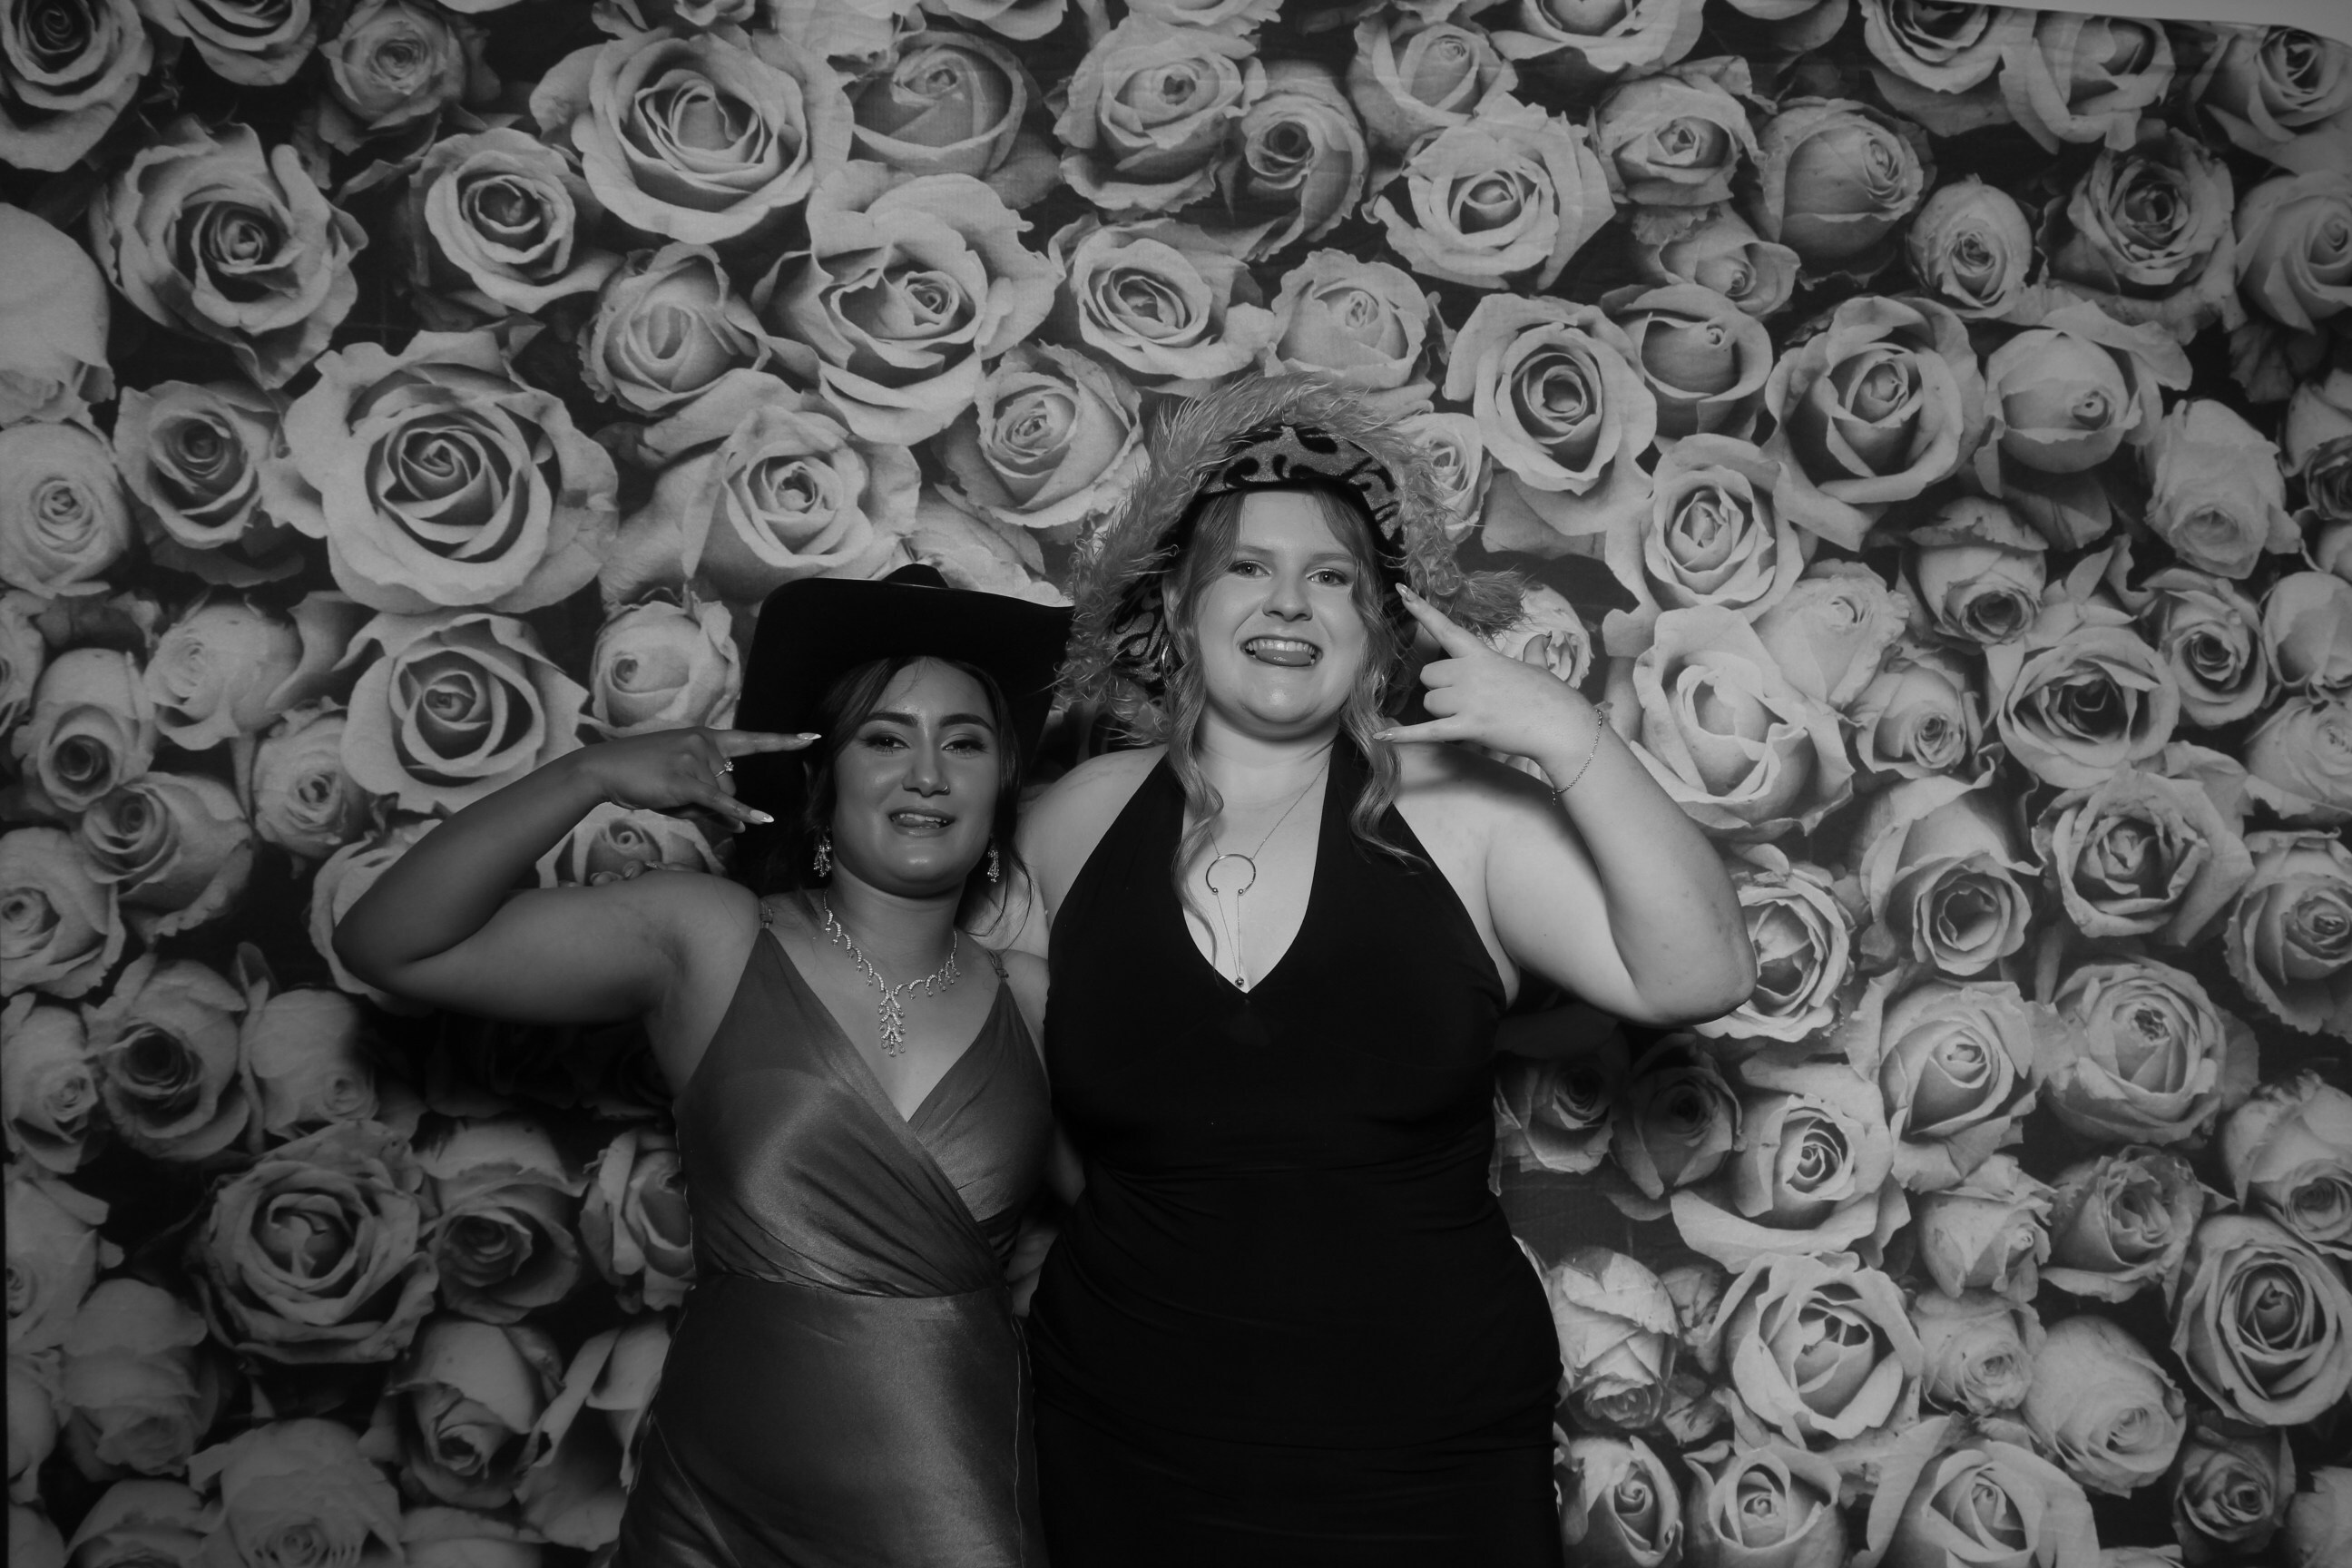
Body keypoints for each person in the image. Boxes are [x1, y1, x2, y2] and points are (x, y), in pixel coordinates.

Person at [1011, 376, 1756, 1565]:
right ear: (1182, 605)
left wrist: (1569, 735)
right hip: (1129, 1438)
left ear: (1378, 626)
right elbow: (987, 1082)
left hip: (1427, 1457)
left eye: (1333, 577)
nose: (1289, 601)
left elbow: (1699, 974)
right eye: (1248, 567)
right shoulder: (1073, 822)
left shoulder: (1466, 816)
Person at [335, 564, 1073, 1568]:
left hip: (952, 1496)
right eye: (885, 738)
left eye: (966, 742)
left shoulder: (1032, 999)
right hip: (717, 1507)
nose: (928, 774)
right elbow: (390, 943)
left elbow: (1156, 1227)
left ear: (1001, 786)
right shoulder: (714, 940)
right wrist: (589, 776)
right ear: (819, 782)